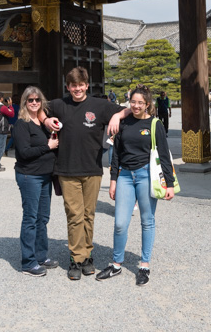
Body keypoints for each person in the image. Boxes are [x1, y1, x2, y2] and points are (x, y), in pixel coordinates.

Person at [44, 67, 123, 281]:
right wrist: (45, 120)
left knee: (89, 215)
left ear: (87, 85)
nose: (77, 89)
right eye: (73, 85)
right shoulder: (59, 105)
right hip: (67, 169)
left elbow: (127, 110)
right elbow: (36, 108)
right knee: (74, 216)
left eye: (81, 85)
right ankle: (76, 258)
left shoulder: (100, 105)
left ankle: (87, 255)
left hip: (92, 170)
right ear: (67, 86)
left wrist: (116, 117)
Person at [96, 85, 175, 286]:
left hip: (146, 175)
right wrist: (113, 180)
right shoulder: (123, 122)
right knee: (120, 223)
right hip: (125, 176)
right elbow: (116, 154)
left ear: (148, 104)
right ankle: (116, 263)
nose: (136, 105)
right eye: (133, 102)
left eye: (140, 102)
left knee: (147, 221)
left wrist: (170, 184)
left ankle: (144, 265)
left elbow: (164, 156)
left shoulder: (154, 124)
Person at [14, 86, 59, 276]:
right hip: (29, 175)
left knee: (43, 218)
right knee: (31, 218)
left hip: (45, 176)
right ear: (25, 102)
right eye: (30, 100)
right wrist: (47, 146)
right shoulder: (21, 124)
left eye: (37, 100)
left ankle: (41, 255)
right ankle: (28, 262)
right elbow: (23, 153)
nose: (34, 103)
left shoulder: (41, 123)